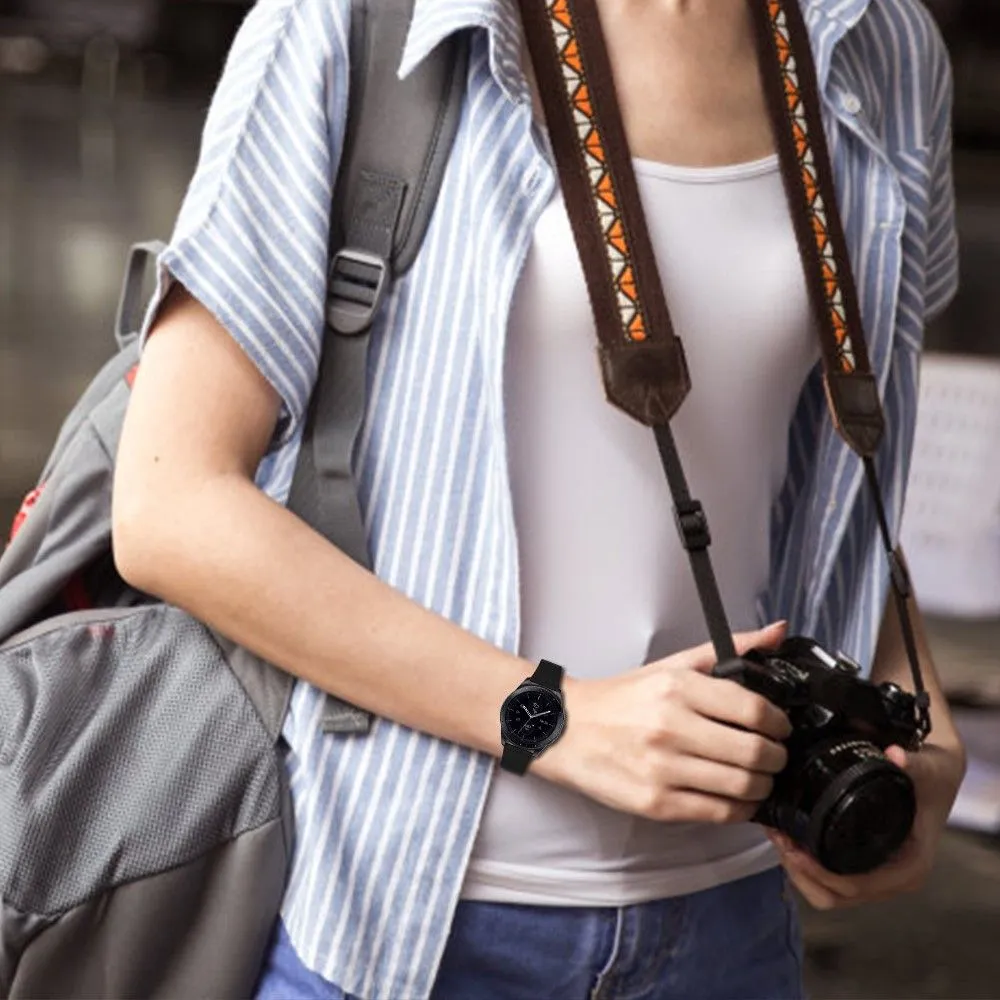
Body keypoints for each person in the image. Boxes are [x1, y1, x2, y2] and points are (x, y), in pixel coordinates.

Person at [111, 0, 967, 997]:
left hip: (732, 920)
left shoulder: (877, 42)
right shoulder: (356, 24)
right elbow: (171, 505)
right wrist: (554, 718)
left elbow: (837, 490)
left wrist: (924, 731)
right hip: (407, 919)